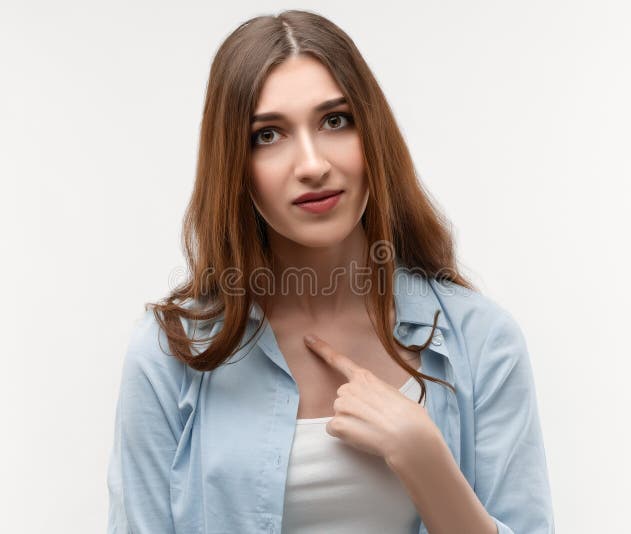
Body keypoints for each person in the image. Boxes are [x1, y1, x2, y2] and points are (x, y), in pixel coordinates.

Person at [107, 9, 555, 534]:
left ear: (374, 137)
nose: (313, 163)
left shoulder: (482, 343)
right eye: (268, 135)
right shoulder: (170, 356)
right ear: (234, 165)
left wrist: (428, 465)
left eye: (335, 120)